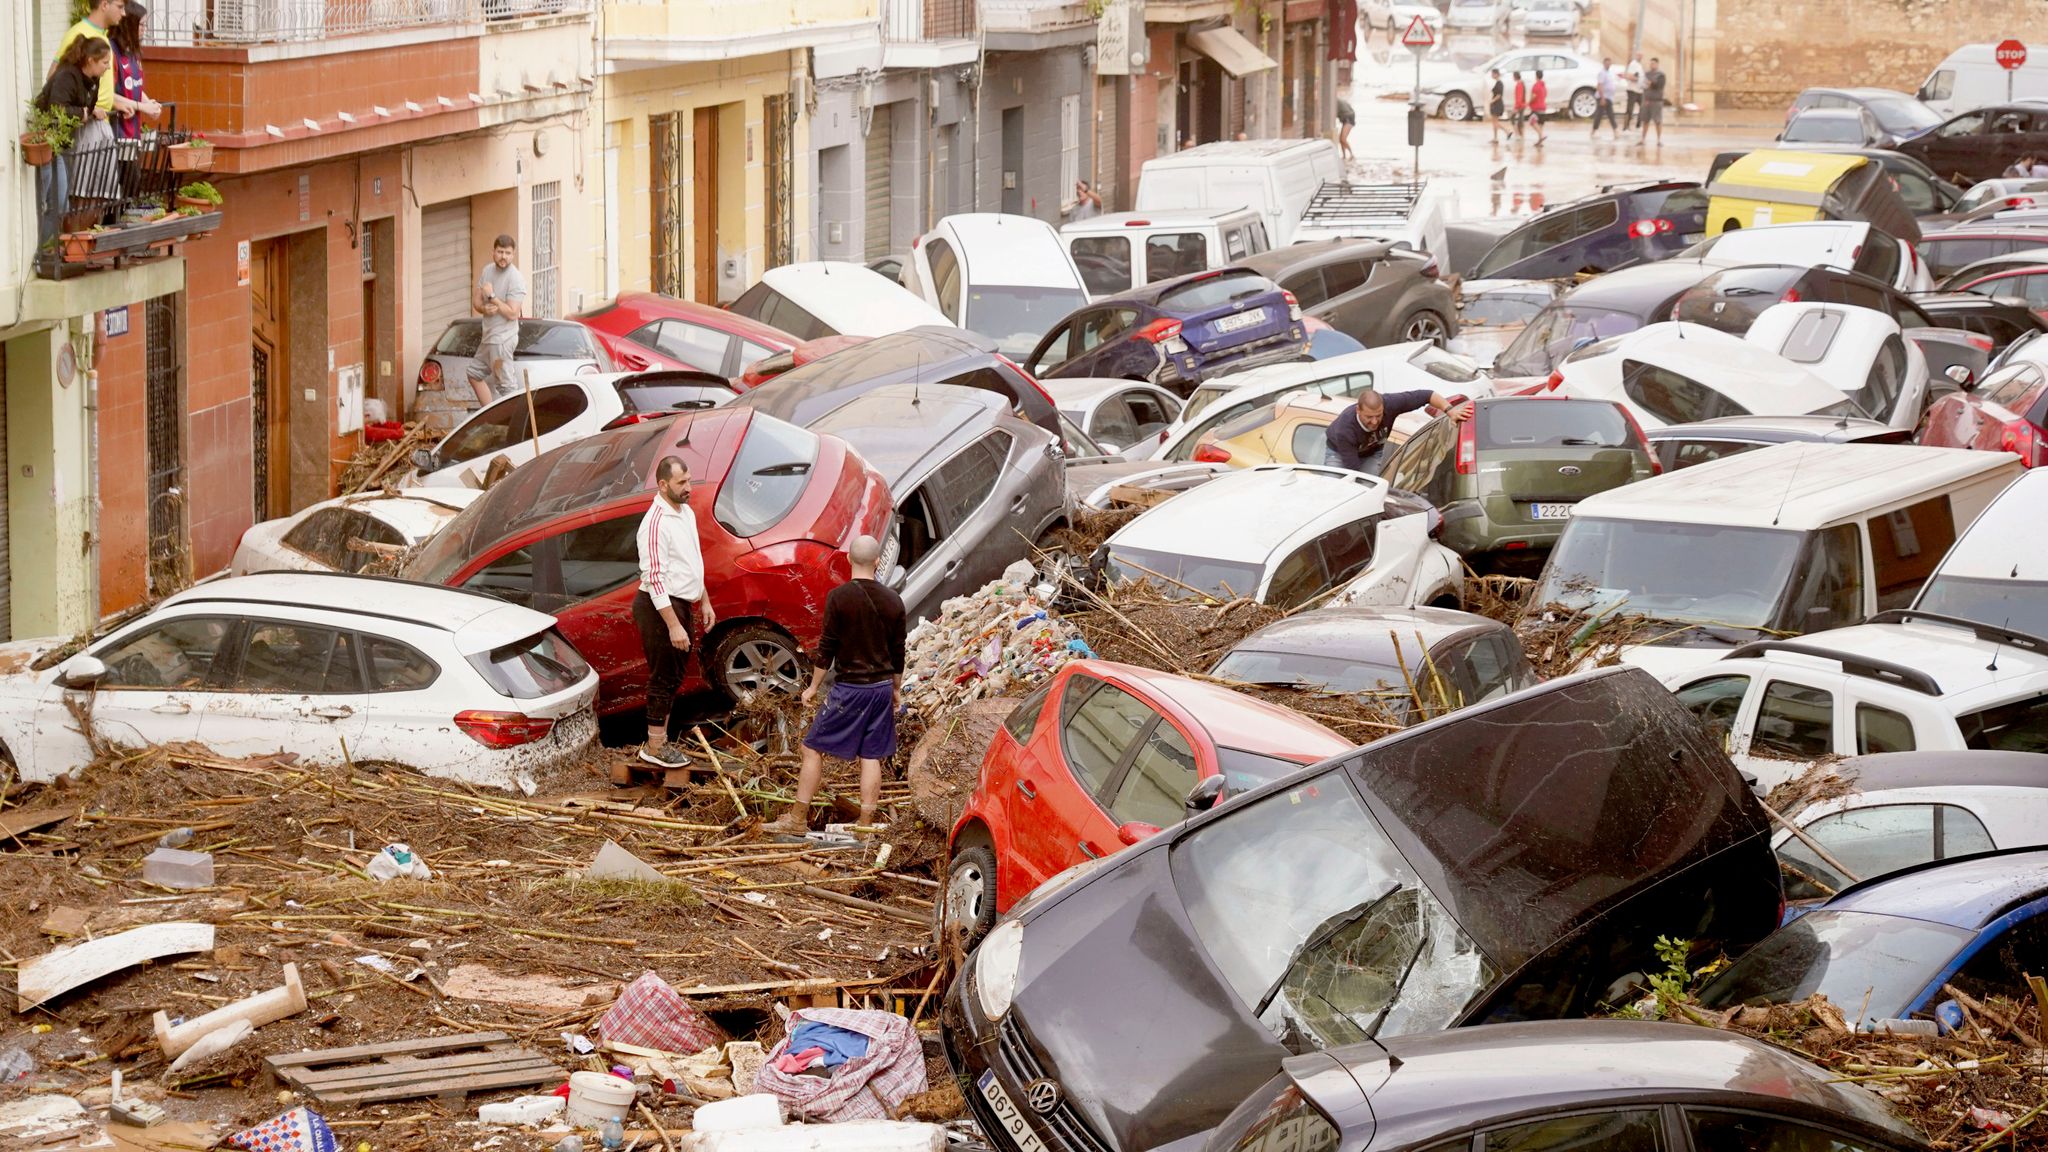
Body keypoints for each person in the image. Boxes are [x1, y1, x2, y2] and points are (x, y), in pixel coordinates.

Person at [765, 535, 906, 834]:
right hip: (880, 688)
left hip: (850, 690)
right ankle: (866, 824)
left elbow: (825, 650)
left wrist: (813, 688)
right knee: (871, 755)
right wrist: (895, 689)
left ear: (850, 560)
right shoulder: (894, 601)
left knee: (811, 748)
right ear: (878, 561)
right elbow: (898, 653)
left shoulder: (839, 598)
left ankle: (797, 819)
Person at [629, 455, 715, 775]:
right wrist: (674, 625)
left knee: (675, 674)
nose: (688, 487)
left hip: (681, 603)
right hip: (658, 607)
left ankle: (659, 741)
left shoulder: (686, 512)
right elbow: (655, 579)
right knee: (664, 676)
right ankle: (654, 747)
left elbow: (692, 561)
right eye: (682, 483)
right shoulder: (655, 523)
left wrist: (703, 599)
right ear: (663, 484)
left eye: (689, 480)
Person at [34, 35, 111, 244]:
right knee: (49, 200)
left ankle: (45, 248)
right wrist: (84, 113)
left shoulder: (93, 80)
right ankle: (40, 250)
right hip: (47, 142)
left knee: (60, 204)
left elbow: (88, 105)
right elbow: (57, 108)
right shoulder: (67, 76)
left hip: (64, 142)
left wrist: (92, 111)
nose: (107, 68)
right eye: (105, 63)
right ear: (90, 60)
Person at [1324, 389, 1475, 476]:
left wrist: (1450, 411)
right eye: (1369, 417)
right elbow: (1353, 472)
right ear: (1358, 410)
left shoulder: (1392, 403)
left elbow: (1428, 395)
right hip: (1338, 452)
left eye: (1379, 415)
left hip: (1372, 450)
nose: (1375, 422)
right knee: (1339, 490)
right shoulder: (1345, 429)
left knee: (1370, 488)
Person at [108, 3, 162, 202]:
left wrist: (150, 104)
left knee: (132, 185)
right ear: (129, 25)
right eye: (141, 25)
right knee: (126, 189)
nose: (144, 30)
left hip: (134, 132)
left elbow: (136, 86)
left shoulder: (133, 52)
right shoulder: (112, 52)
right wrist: (142, 107)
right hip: (119, 133)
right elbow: (108, 95)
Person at [470, 235, 527, 405]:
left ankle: (514, 427)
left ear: (513, 254)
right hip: (488, 336)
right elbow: (476, 301)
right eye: (500, 252)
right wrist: (483, 308)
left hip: (502, 340)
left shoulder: (515, 278)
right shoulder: (487, 270)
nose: (503, 256)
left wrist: (493, 297)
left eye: (508, 253)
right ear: (493, 252)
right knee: (473, 374)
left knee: (506, 387)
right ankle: (489, 417)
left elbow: (512, 313)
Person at [52, 0, 124, 120]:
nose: (124, 13)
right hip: (84, 124)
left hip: (100, 120)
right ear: (105, 5)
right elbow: (54, 77)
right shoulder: (77, 33)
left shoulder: (102, 35)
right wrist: (82, 112)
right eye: (120, 7)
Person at [1639, 57, 1667, 145]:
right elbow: (1643, 84)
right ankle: (1643, 139)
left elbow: (1659, 86)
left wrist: (1650, 83)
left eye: (1653, 63)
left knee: (1657, 121)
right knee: (1645, 121)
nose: (1652, 65)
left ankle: (1659, 140)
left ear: (1657, 64)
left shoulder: (1661, 75)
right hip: (1647, 100)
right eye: (1651, 63)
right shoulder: (1646, 74)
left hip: (1657, 101)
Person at [1591, 58, 1620, 137]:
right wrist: (1602, 98)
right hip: (1603, 97)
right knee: (1599, 114)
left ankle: (1615, 130)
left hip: (1609, 97)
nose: (1608, 65)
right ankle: (1594, 130)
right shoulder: (1602, 73)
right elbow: (1599, 85)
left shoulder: (1609, 73)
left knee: (1611, 114)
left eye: (1609, 63)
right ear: (1604, 63)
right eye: (1606, 63)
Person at [1622, 54, 1645, 129]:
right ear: (1636, 56)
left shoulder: (1640, 65)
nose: (1640, 57)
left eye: (1641, 56)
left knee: (1643, 107)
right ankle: (1626, 126)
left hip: (1639, 90)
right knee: (1630, 109)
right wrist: (1636, 79)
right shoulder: (1633, 64)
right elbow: (1628, 76)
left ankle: (1638, 124)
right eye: (1639, 55)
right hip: (1632, 90)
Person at [1528, 70, 1549, 145]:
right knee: (1540, 124)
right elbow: (1545, 95)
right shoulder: (1544, 86)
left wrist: (1529, 102)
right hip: (1543, 107)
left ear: (1536, 76)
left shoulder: (1536, 85)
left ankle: (1541, 135)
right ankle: (1540, 142)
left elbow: (1534, 96)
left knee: (1531, 121)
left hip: (1536, 107)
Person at [1487, 69, 1506, 143]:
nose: (1491, 75)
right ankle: (1495, 137)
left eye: (1492, 74)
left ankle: (1506, 131)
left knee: (1495, 122)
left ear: (1496, 74)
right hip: (1496, 104)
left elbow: (1499, 95)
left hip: (1497, 105)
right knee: (1494, 122)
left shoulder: (1499, 83)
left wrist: (1492, 101)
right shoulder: (1498, 83)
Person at [1510, 72, 1527, 139]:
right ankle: (1520, 135)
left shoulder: (1519, 85)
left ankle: (1518, 134)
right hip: (1522, 105)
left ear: (1515, 76)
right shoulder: (1521, 84)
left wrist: (1516, 107)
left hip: (1520, 105)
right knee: (1520, 120)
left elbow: (1519, 97)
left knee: (1513, 118)